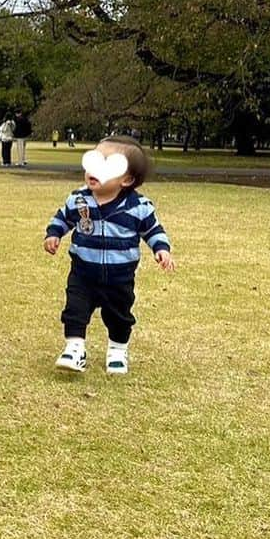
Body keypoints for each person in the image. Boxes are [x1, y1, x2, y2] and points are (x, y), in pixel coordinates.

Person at [43, 135, 175, 376]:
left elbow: (153, 229)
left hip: (119, 276)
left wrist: (161, 249)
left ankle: (117, 349)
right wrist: (54, 234)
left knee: (119, 316)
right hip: (83, 271)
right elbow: (63, 217)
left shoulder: (139, 206)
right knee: (75, 309)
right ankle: (74, 348)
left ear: (127, 179)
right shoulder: (79, 199)